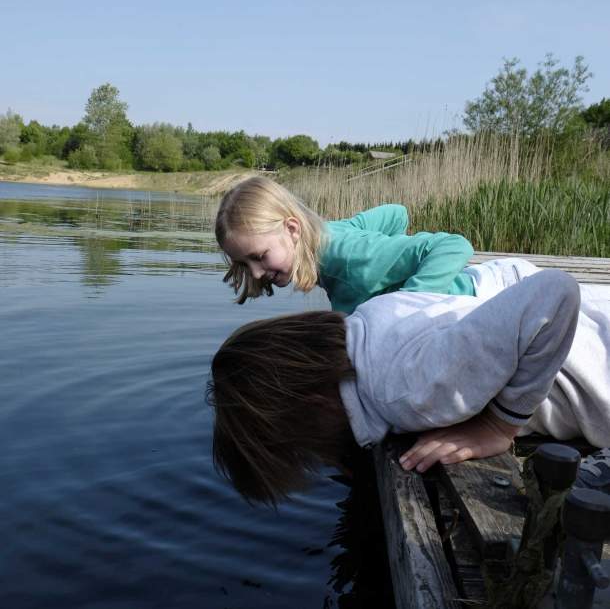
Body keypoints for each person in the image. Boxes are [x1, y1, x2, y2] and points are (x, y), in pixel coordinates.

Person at [208, 269, 610, 504]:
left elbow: (554, 291)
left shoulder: (408, 394)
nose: (320, 457)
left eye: (303, 448)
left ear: (314, 404)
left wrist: (499, 426)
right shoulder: (368, 322)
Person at [215, 176, 476, 313]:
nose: (256, 273)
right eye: (244, 264)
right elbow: (398, 214)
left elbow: (453, 246)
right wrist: (386, 276)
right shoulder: (326, 234)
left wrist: (400, 307)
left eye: (259, 256)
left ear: (292, 229)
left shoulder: (350, 257)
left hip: (465, 304)